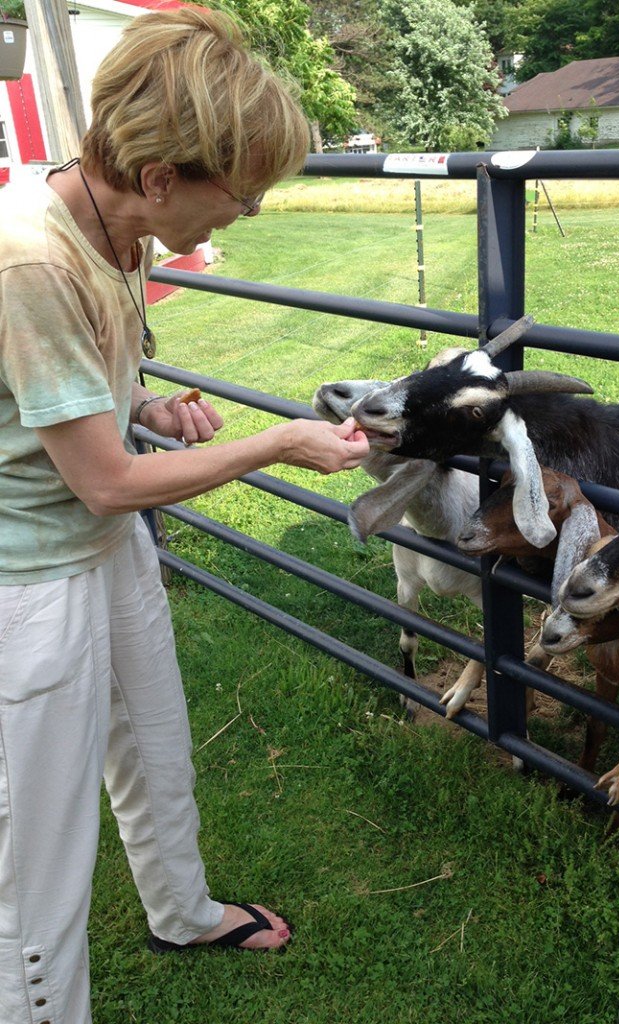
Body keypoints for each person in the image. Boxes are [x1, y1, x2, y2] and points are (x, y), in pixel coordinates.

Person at [0, 8, 369, 1022]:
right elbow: (108, 481)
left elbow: (70, 406)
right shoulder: (30, 257)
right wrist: (275, 443)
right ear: (160, 177)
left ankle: (181, 908)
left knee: (154, 742)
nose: (243, 214)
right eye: (237, 196)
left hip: (102, 546)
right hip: (29, 579)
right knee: (36, 857)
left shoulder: (114, 227)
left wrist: (145, 407)